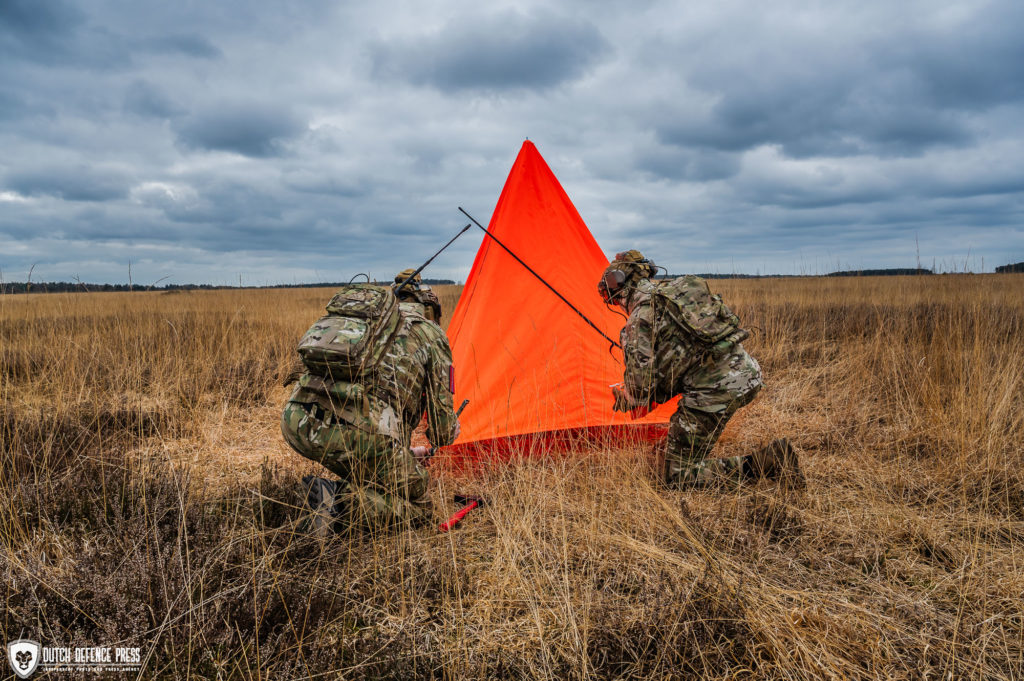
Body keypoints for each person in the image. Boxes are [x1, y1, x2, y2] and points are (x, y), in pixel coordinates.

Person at [598, 250, 800, 488]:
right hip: (746, 373)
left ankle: (769, 462)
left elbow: (641, 389)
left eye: (612, 298)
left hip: (715, 391)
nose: (617, 305)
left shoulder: (639, 320)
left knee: (678, 475)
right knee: (669, 449)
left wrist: (627, 398)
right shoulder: (676, 295)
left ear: (618, 287)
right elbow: (681, 363)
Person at [281, 277, 459, 532]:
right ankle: (339, 504)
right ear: (431, 310)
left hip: (296, 419)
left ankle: (319, 499)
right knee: (420, 504)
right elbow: (442, 431)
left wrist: (405, 454)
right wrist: (453, 429)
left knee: (370, 469)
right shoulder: (431, 333)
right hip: (362, 435)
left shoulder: (373, 325)